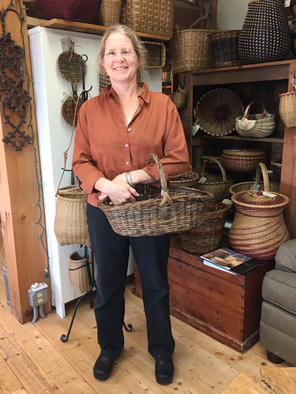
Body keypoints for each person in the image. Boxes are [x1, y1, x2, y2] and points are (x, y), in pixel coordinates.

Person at [72, 24, 189, 385]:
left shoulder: (164, 106)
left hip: (149, 210)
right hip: (104, 209)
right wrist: (106, 182)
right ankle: (109, 347)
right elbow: (80, 161)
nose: (119, 59)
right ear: (103, 63)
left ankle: (162, 351)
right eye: (111, 53)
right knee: (107, 283)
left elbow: (179, 159)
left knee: (154, 283)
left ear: (138, 58)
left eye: (126, 51)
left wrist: (133, 177)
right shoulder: (89, 110)